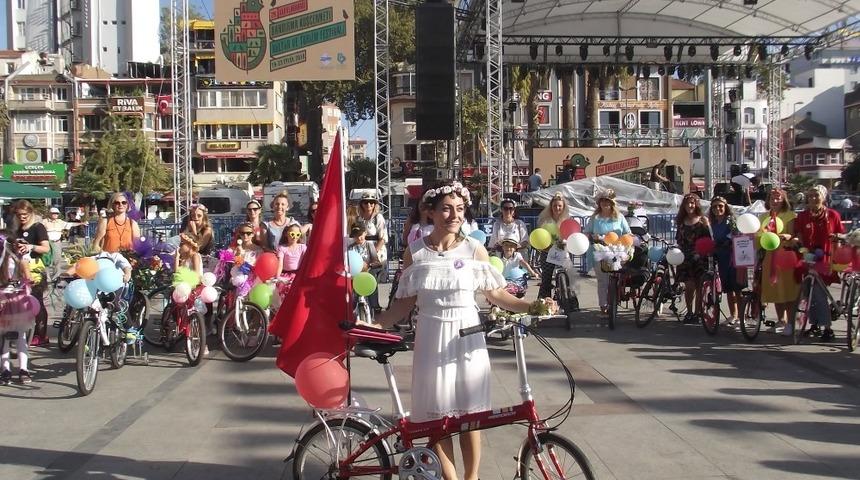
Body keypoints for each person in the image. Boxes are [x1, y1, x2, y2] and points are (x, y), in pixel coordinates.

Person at [371, 180, 557, 480]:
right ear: (430, 212)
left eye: (459, 209)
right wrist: (373, 324)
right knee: (437, 421)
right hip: (431, 338)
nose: (454, 215)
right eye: (446, 209)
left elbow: (497, 295)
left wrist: (532, 306)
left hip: (468, 338)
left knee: (472, 418)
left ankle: (472, 477)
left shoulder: (474, 249)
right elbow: (403, 305)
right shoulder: (415, 252)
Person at [791, 185, 845, 341]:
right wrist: (798, 245)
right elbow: (799, 234)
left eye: (816, 195)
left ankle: (827, 328)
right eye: (810, 196)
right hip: (808, 257)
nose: (813, 198)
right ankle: (814, 324)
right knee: (808, 292)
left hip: (825, 258)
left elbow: (840, 235)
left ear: (823, 197)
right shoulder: (803, 216)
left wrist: (838, 253)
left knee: (819, 294)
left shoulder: (832, 215)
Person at [584, 190, 631, 315]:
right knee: (602, 280)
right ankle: (603, 305)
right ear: (599, 203)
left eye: (608, 201)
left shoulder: (619, 217)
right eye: (603, 201)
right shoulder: (595, 218)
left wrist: (626, 240)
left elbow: (627, 233)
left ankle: (616, 298)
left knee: (616, 278)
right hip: (599, 251)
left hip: (617, 251)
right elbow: (587, 232)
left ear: (612, 203)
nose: (605, 203)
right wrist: (592, 237)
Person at [10, 200, 50, 346]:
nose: (22, 217)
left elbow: (46, 248)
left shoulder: (37, 227)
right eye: (19, 215)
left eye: (25, 214)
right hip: (18, 268)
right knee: (16, 300)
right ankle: (17, 331)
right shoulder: (16, 228)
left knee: (36, 300)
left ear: (31, 213)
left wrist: (31, 247)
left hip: (34, 267)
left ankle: (41, 334)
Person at [759, 188, 799, 333]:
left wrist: (787, 237)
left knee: (788, 290)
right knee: (775, 289)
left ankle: (790, 323)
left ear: (784, 200)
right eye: (772, 198)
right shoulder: (764, 216)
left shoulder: (790, 215)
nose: (775, 201)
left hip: (785, 256)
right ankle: (781, 320)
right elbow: (759, 235)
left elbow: (794, 235)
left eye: (778, 198)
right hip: (769, 256)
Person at [0, 233, 35, 384]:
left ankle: (23, 369)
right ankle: (5, 370)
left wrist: (29, 280)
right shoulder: (3, 258)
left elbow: (26, 271)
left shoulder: (21, 256)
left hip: (18, 297)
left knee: (20, 335)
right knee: (3, 337)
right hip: (3, 297)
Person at [675, 193, 711, 323]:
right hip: (685, 258)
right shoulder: (681, 221)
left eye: (692, 203)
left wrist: (708, 225)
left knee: (699, 286)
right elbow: (679, 239)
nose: (690, 205)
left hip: (700, 258)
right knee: (689, 286)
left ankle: (698, 313)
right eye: (687, 203)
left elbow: (709, 238)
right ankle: (689, 312)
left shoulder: (702, 220)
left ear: (696, 205)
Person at [708, 196, 741, 325]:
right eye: (714, 206)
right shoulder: (713, 224)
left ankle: (741, 317)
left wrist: (728, 241)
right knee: (728, 289)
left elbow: (737, 234)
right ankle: (733, 315)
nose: (717, 209)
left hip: (733, 257)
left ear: (725, 207)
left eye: (720, 206)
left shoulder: (731, 220)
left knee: (737, 288)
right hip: (721, 257)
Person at [536, 192, 573, 299]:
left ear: (563, 207)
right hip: (547, 252)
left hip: (563, 251)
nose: (557, 208)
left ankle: (567, 300)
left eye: (560, 206)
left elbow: (572, 235)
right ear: (551, 207)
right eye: (555, 206)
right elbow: (540, 236)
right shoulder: (544, 220)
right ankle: (543, 302)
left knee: (565, 277)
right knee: (546, 279)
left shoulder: (568, 220)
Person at [348, 222, 384, 312]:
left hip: (367, 273)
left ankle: (374, 306)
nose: (359, 238)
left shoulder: (369, 245)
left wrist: (369, 265)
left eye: (360, 235)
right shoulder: (351, 248)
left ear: (365, 233)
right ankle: (351, 308)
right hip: (355, 276)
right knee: (352, 296)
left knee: (372, 286)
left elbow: (376, 261)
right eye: (356, 236)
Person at [355, 192, 388, 264]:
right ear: (361, 204)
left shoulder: (378, 218)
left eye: (371, 202)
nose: (368, 204)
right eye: (366, 202)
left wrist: (373, 253)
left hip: (378, 253)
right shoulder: (358, 219)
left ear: (375, 204)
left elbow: (383, 238)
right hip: (361, 253)